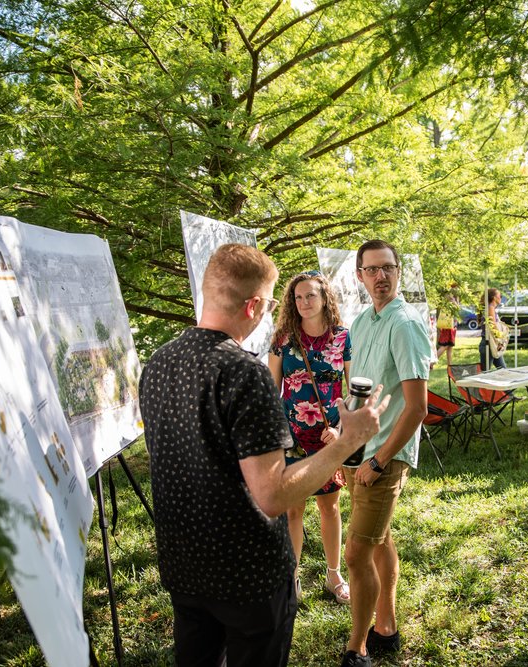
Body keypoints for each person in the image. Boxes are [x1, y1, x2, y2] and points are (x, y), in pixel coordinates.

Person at [140, 244, 388, 667]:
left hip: (183, 567)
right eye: (275, 300)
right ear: (254, 305)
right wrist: (349, 443)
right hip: (247, 577)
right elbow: (272, 495)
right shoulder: (243, 371)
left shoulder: (159, 362)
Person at [342, 239, 430, 667]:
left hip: (386, 455)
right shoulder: (362, 322)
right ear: (360, 276)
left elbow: (417, 408)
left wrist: (377, 461)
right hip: (362, 452)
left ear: (399, 272)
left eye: (388, 268)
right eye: (372, 270)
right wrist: (348, 447)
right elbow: (359, 392)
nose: (381, 276)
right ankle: (386, 628)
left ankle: (356, 649)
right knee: (379, 541)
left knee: (356, 554)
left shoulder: (405, 324)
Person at [268, 271, 352, 605]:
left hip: (330, 437)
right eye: (298, 297)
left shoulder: (343, 337)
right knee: (293, 511)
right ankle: (291, 579)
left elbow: (354, 392)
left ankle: (334, 576)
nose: (303, 303)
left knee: (330, 508)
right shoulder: (283, 338)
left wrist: (342, 430)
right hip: (293, 436)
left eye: (310, 296)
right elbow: (272, 391)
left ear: (324, 298)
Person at [479, 287, 507, 371]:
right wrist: (500, 339)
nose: (501, 297)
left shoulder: (491, 308)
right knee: (485, 373)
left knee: (503, 370)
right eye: (500, 295)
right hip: (488, 344)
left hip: (493, 344)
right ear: (494, 297)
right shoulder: (490, 307)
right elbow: (493, 326)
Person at [435, 283, 460, 367]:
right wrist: (454, 302)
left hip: (452, 324)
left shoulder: (454, 296)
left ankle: (450, 366)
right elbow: (456, 307)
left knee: (450, 346)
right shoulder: (449, 296)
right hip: (449, 324)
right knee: (445, 345)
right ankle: (432, 362)